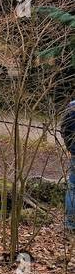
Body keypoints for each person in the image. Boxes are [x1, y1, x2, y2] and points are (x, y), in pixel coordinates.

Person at [61, 98, 75, 231]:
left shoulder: (72, 106)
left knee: (72, 189)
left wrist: (71, 148)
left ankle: (70, 224)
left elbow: (64, 129)